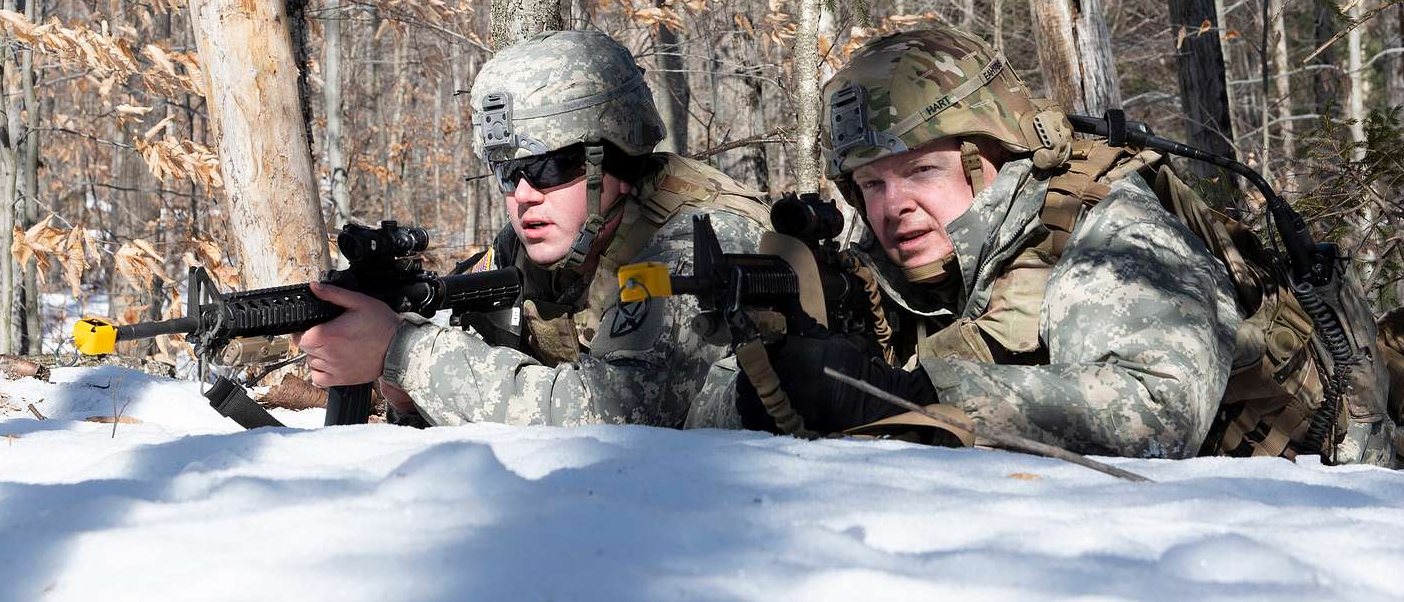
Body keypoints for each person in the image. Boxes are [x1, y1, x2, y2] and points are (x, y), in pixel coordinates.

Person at [718, 25, 1248, 458]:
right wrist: (765, 388)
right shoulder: (881, 276)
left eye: (923, 171)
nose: (892, 206)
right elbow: (697, 418)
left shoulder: (1107, 228)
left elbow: (1160, 412)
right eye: (872, 183)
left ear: (990, 155)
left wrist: (914, 397)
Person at [298, 29, 771, 427]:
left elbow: (614, 419)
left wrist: (407, 352)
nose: (523, 194)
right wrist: (409, 397)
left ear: (617, 160)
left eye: (549, 167)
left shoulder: (697, 245)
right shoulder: (527, 251)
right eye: (507, 172)